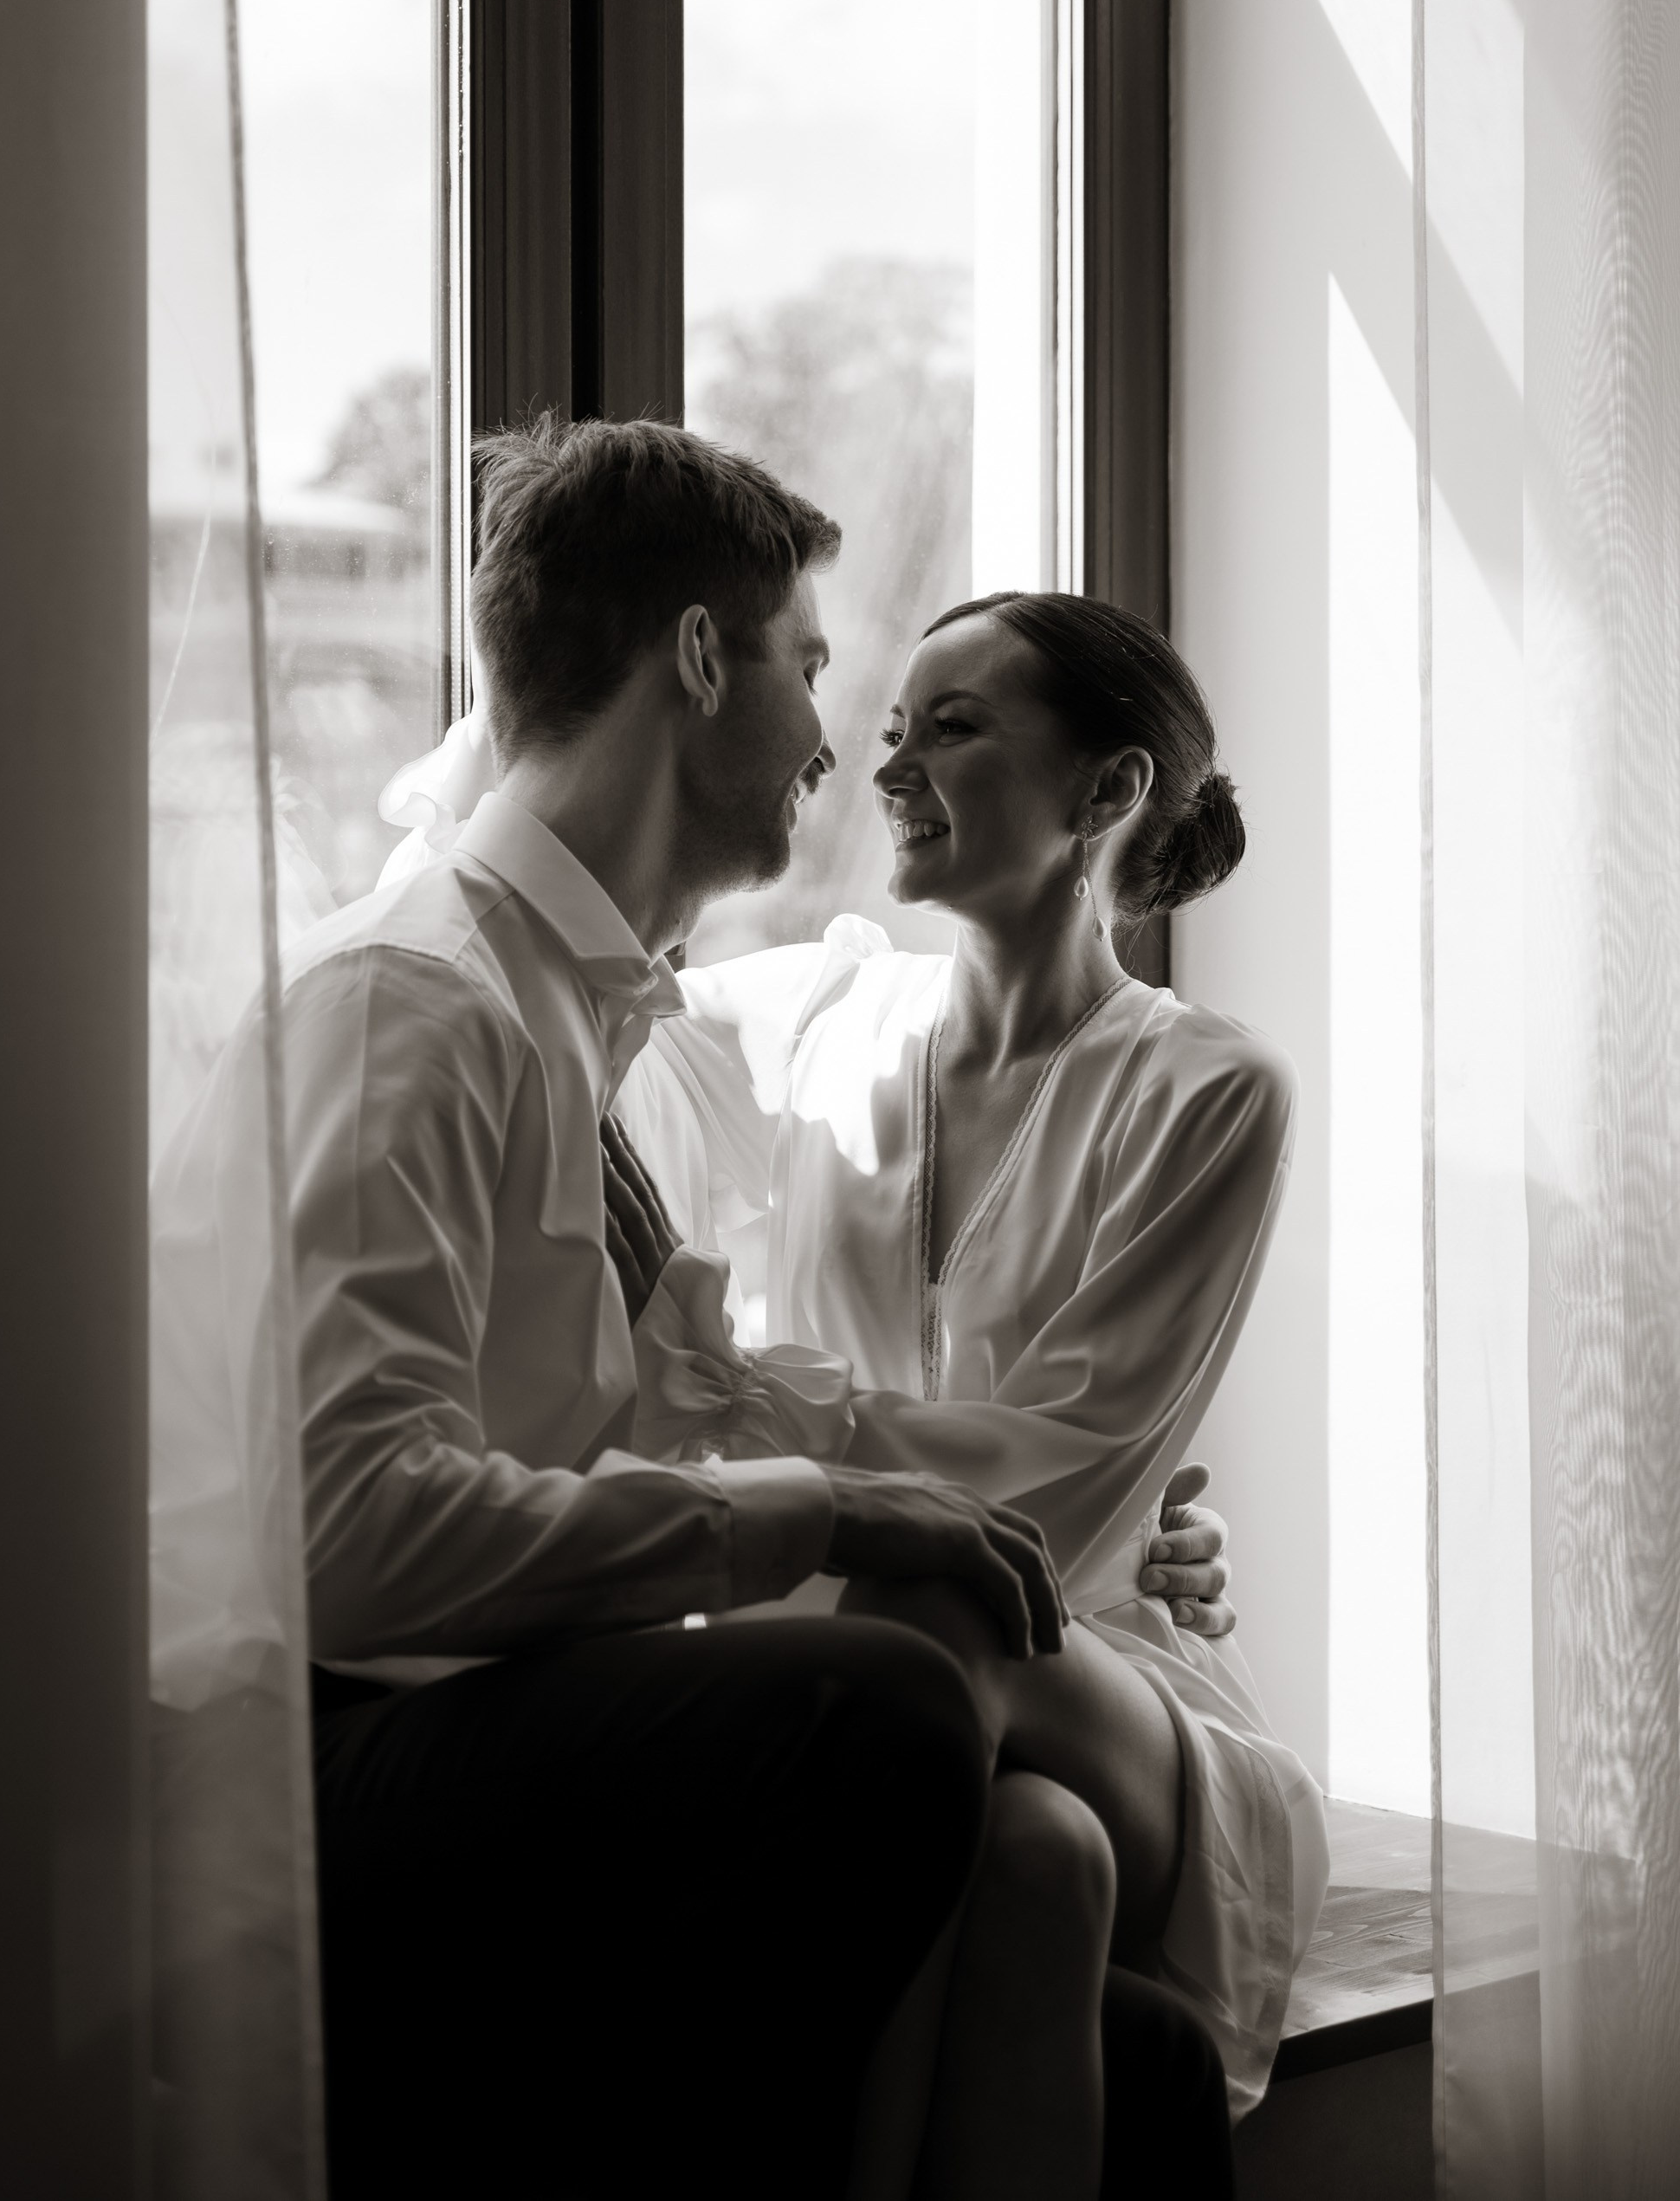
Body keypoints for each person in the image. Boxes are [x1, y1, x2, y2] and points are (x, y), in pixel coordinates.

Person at [150, 417, 1231, 2201]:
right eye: (811, 667)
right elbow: (343, 1533)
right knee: (875, 1714)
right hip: (280, 1765)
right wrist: (818, 1512)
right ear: (701, 659)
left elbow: (650, 1424)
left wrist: (938, 1505)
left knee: (1108, 1970)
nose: (834, 738)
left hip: (452, 1704)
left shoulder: (589, 1021)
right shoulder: (409, 1006)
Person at [599, 591, 1329, 2178]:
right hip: (884, 1657)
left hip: (1106, 1675)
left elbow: (1068, 1466)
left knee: (941, 1623)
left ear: (1110, 792)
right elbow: (576, 990)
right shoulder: (813, 1011)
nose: (891, 766)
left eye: (955, 725)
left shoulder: (1211, 1090)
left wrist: (779, 1441)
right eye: (887, 730)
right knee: (1031, 1856)